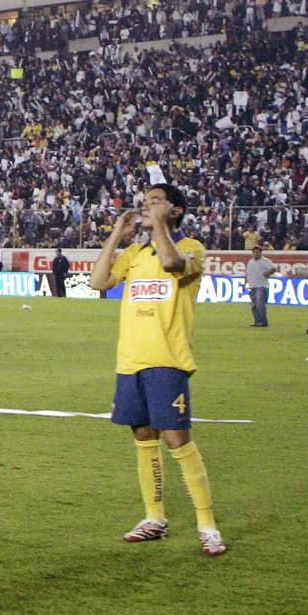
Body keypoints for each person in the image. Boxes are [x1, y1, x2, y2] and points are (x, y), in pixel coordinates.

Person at [89, 182, 225, 557]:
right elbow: (97, 282)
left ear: (176, 210)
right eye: (145, 202)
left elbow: (171, 264)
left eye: (155, 202)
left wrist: (159, 226)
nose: (146, 207)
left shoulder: (191, 248)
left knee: (177, 440)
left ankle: (207, 524)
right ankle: (154, 518)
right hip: (130, 360)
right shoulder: (133, 252)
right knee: (143, 437)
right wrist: (118, 233)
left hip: (168, 359)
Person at [244, 243, 279, 327]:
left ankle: (263, 322)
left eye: (258, 252)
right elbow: (247, 273)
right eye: (254, 252)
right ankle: (257, 321)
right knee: (254, 305)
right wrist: (245, 283)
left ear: (261, 253)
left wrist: (268, 273)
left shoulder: (265, 261)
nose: (256, 254)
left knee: (260, 304)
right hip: (252, 285)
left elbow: (274, 268)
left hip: (261, 285)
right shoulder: (250, 262)